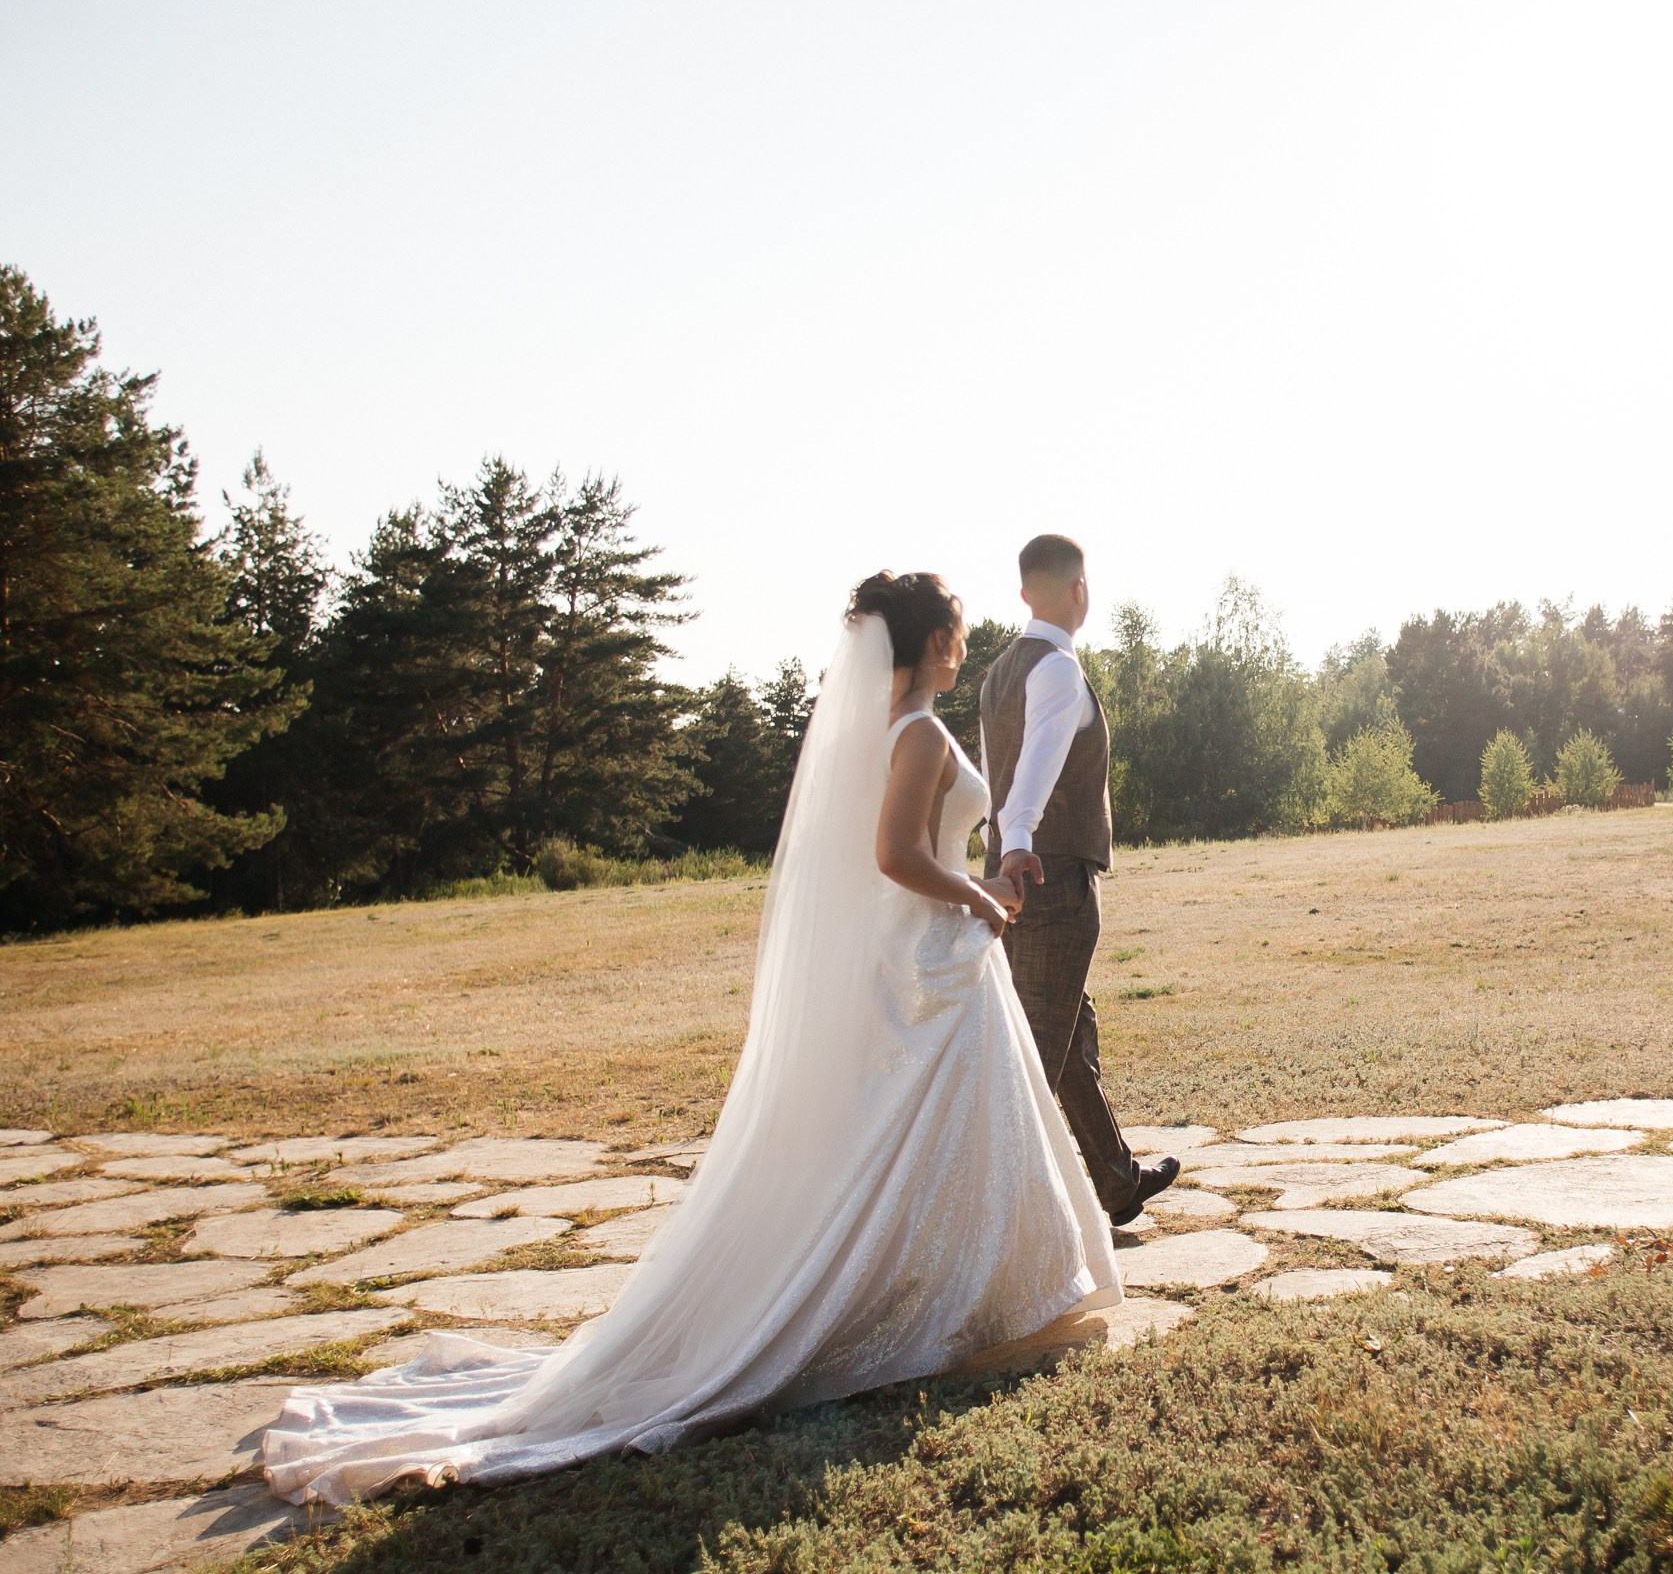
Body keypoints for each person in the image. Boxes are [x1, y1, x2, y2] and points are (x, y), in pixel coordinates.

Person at [261, 572, 1120, 1507]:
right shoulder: (915, 733)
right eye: (954, 631)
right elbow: (895, 855)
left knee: (927, 1136)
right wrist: (980, 895)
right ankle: (954, 1304)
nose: (962, 643)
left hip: (928, 958)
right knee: (924, 1134)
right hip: (932, 957)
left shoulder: (884, 729)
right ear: (930, 642)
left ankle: (969, 1296)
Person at [981, 534, 1180, 1226]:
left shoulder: (998, 671)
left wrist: (999, 854)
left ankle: (1117, 1182)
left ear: (1023, 592)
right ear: (1078, 589)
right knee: (1035, 1055)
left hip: (1008, 881)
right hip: (1050, 878)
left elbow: (994, 780)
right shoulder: (1060, 670)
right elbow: (1029, 777)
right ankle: (1007, 1224)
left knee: (1069, 1033)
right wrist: (1018, 845)